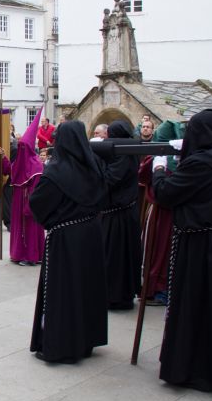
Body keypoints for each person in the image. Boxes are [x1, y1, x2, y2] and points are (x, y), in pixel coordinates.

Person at [152, 109, 212, 391]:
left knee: (192, 305)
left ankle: (189, 369)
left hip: (199, 242)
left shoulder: (202, 164)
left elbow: (167, 193)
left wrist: (159, 168)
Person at [29, 120, 108, 363]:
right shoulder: (95, 165)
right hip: (92, 233)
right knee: (86, 288)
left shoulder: (56, 171)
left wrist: (53, 219)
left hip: (66, 238)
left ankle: (62, 343)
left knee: (64, 291)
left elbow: (37, 203)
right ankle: (86, 339)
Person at [138, 120, 185, 307]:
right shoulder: (187, 158)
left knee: (157, 251)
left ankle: (157, 290)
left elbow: (142, 175)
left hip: (159, 212)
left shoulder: (157, 158)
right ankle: (162, 289)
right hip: (175, 213)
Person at [100, 120, 141, 309]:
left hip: (119, 215)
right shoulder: (124, 151)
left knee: (116, 258)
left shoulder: (123, 154)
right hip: (121, 212)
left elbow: (110, 180)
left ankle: (116, 297)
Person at [9, 114, 45, 267]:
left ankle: (31, 256)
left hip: (28, 203)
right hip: (18, 201)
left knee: (30, 229)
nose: (21, 149)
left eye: (23, 146)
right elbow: (10, 172)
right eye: (20, 146)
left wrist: (29, 205)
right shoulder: (19, 162)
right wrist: (4, 157)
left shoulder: (36, 165)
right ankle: (18, 254)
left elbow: (36, 188)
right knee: (19, 229)